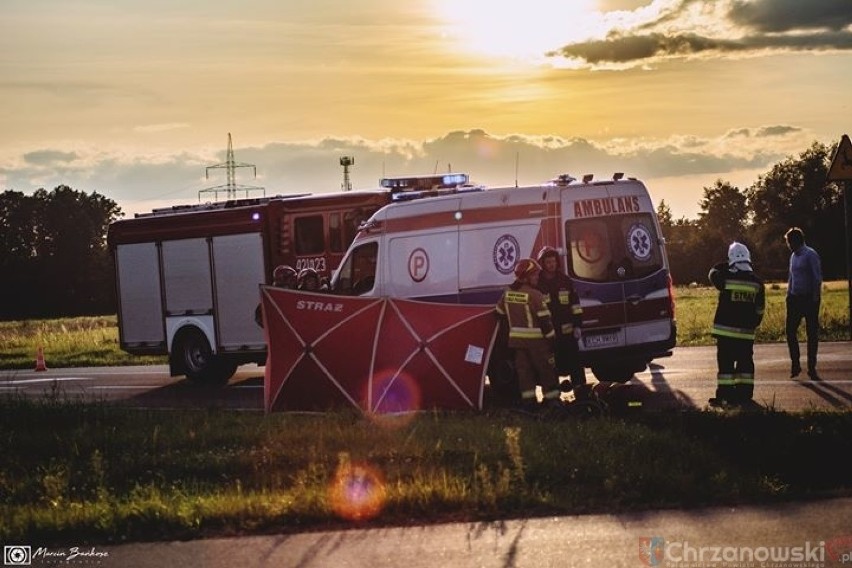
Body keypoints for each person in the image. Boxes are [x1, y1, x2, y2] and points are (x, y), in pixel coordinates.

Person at [494, 258, 561, 410]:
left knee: (525, 374)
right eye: (535, 275)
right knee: (546, 371)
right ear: (526, 277)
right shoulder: (535, 295)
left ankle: (529, 403)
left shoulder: (508, 294)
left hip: (517, 343)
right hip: (538, 344)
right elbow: (545, 321)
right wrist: (553, 340)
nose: (537, 278)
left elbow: (498, 313)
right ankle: (552, 402)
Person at [708, 242, 766, 407]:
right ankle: (744, 395)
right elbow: (760, 310)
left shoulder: (725, 278)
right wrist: (752, 325)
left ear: (731, 260)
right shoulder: (757, 283)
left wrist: (726, 264)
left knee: (726, 366)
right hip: (746, 334)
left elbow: (712, 273)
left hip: (725, 334)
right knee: (745, 364)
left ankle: (725, 396)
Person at [535, 246, 585, 389]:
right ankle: (554, 396)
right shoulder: (538, 284)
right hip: (549, 335)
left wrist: (578, 326)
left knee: (575, 364)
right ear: (542, 264)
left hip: (568, 334)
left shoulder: (565, 281)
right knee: (551, 367)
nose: (552, 264)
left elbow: (575, 305)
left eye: (553, 261)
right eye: (548, 262)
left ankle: (581, 393)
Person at [784, 227, 823, 380]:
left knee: (811, 333)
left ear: (795, 241)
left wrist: (815, 298)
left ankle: (812, 367)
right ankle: (795, 364)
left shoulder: (810, 254)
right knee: (790, 332)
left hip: (809, 299)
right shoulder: (793, 256)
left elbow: (817, 277)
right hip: (794, 299)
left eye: (788, 241)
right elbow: (791, 276)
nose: (788, 245)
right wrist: (788, 295)